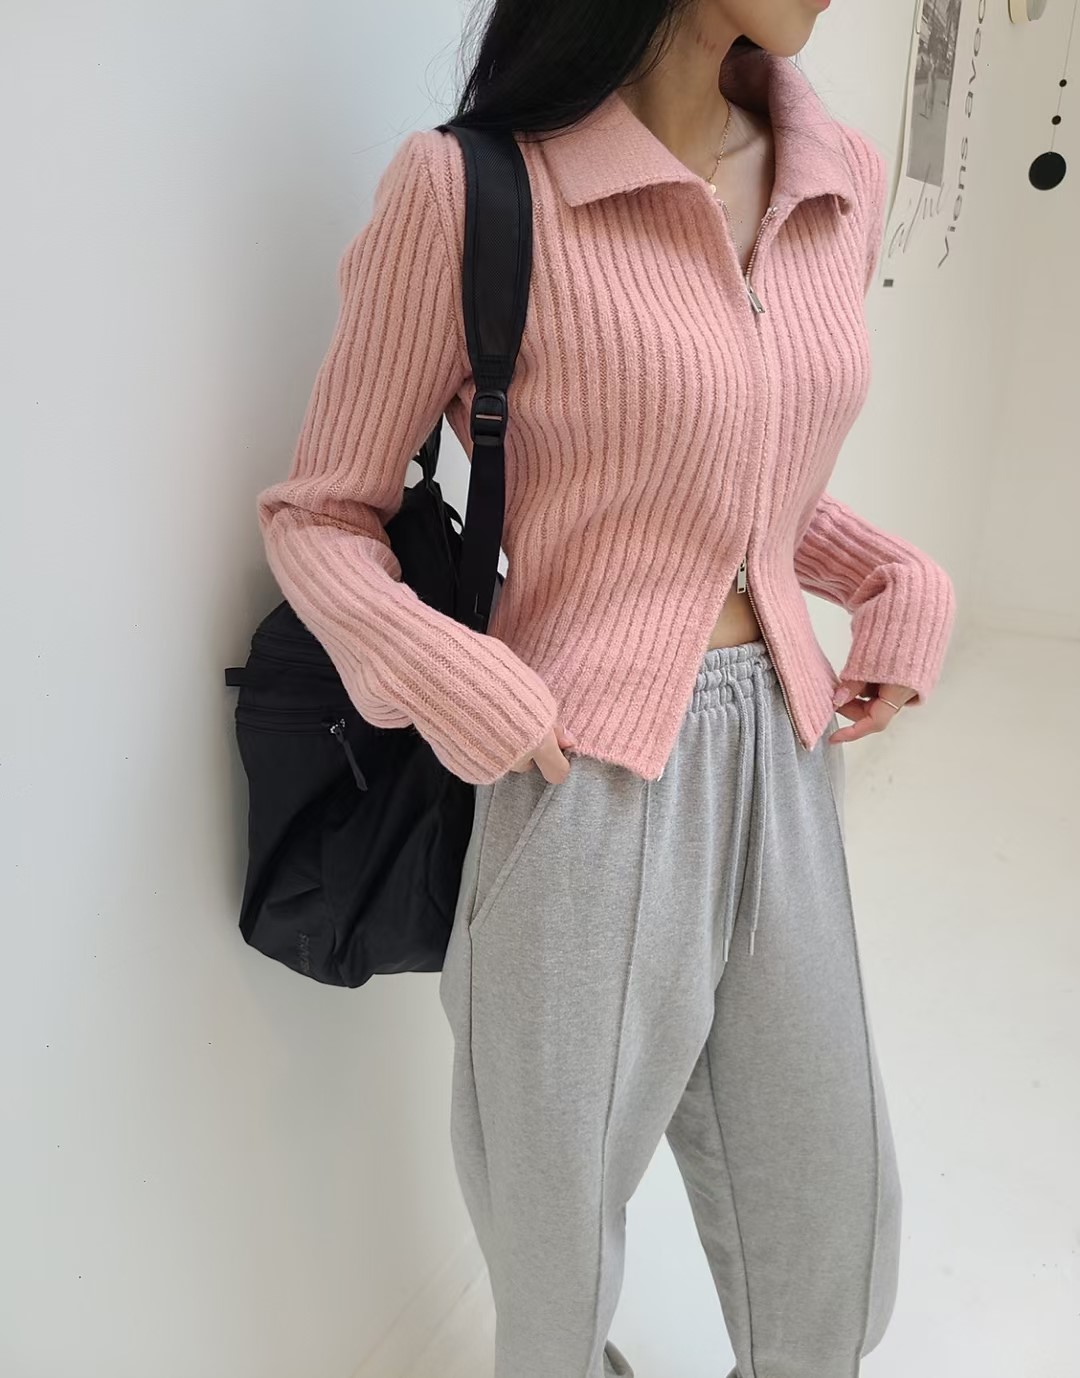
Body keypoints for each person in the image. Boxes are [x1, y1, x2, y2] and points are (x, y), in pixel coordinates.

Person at [255, 3, 957, 1376]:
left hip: (786, 756)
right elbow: (318, 513)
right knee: (556, 1238)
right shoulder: (474, 192)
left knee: (835, 1229)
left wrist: (890, 572)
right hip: (578, 776)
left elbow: (740, 472)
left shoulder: (836, 177)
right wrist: (452, 674)